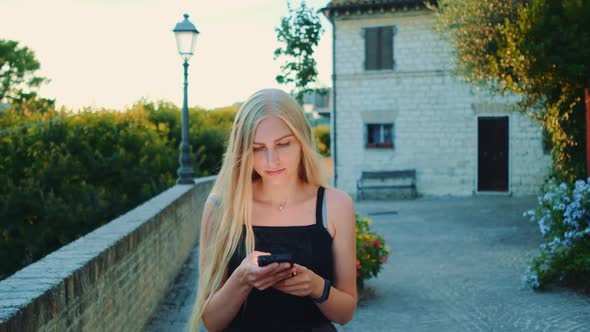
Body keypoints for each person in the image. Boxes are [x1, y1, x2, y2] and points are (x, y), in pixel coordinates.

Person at [190, 89, 357, 332]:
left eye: (283, 144)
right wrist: (241, 280)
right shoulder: (220, 208)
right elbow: (212, 322)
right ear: (243, 150)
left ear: (302, 140)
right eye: (258, 148)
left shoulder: (336, 205)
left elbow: (345, 313)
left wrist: (316, 287)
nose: (272, 160)